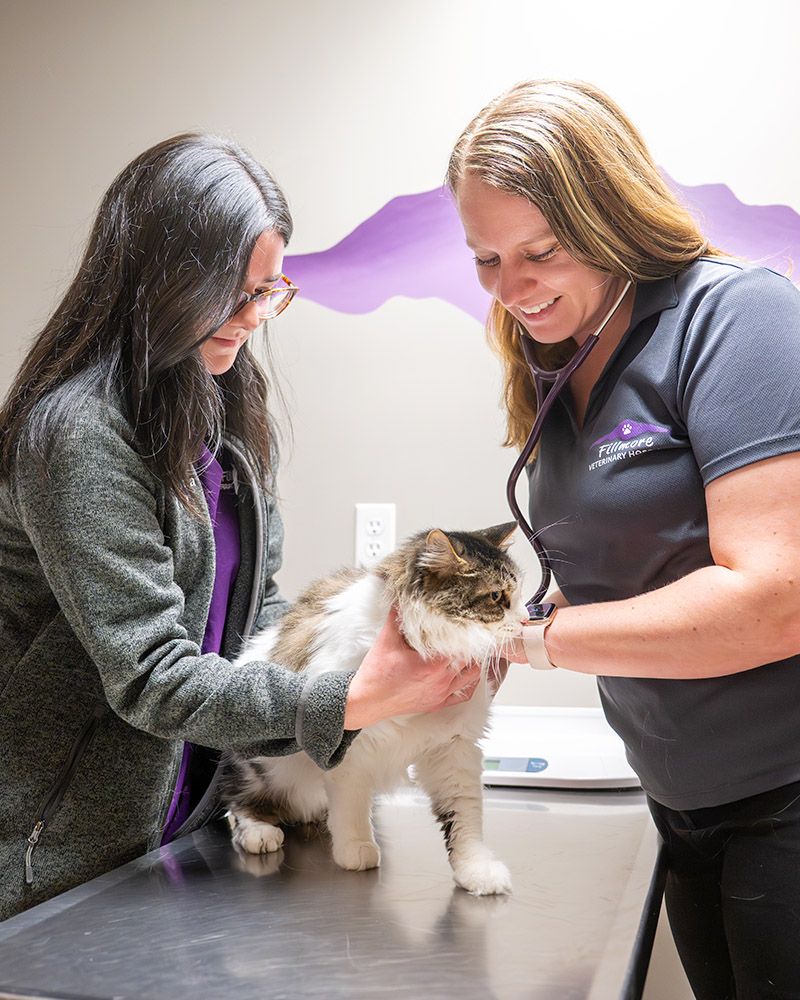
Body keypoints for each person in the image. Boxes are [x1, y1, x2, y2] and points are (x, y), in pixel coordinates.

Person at [0, 132, 482, 921]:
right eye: (236, 291)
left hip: (182, 821)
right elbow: (154, 675)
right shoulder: (78, 435)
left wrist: (354, 654)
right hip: (64, 850)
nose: (253, 317)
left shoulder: (217, 401)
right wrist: (348, 698)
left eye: (268, 290)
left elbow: (251, 609)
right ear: (160, 279)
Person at [448, 80, 800, 999]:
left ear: (607, 214)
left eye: (541, 251)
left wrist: (525, 644)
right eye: (485, 257)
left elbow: (774, 602)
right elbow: (626, 564)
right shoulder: (555, 354)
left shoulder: (735, 316)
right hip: (680, 794)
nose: (511, 287)